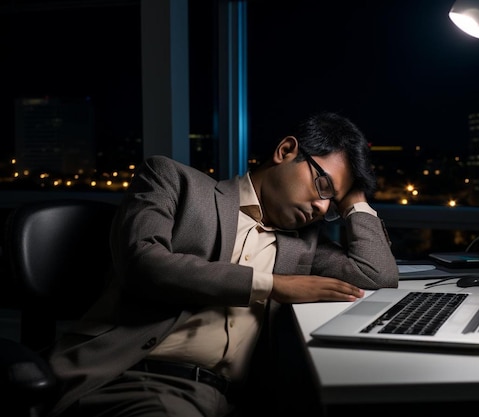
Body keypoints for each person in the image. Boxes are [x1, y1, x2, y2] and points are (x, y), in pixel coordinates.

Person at [45, 111, 399, 417]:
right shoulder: (172, 181)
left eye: (333, 204)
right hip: (136, 377)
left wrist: (355, 201)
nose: (323, 209)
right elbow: (143, 264)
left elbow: (376, 274)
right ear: (286, 150)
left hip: (237, 400)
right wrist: (272, 285)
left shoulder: (303, 246)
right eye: (323, 186)